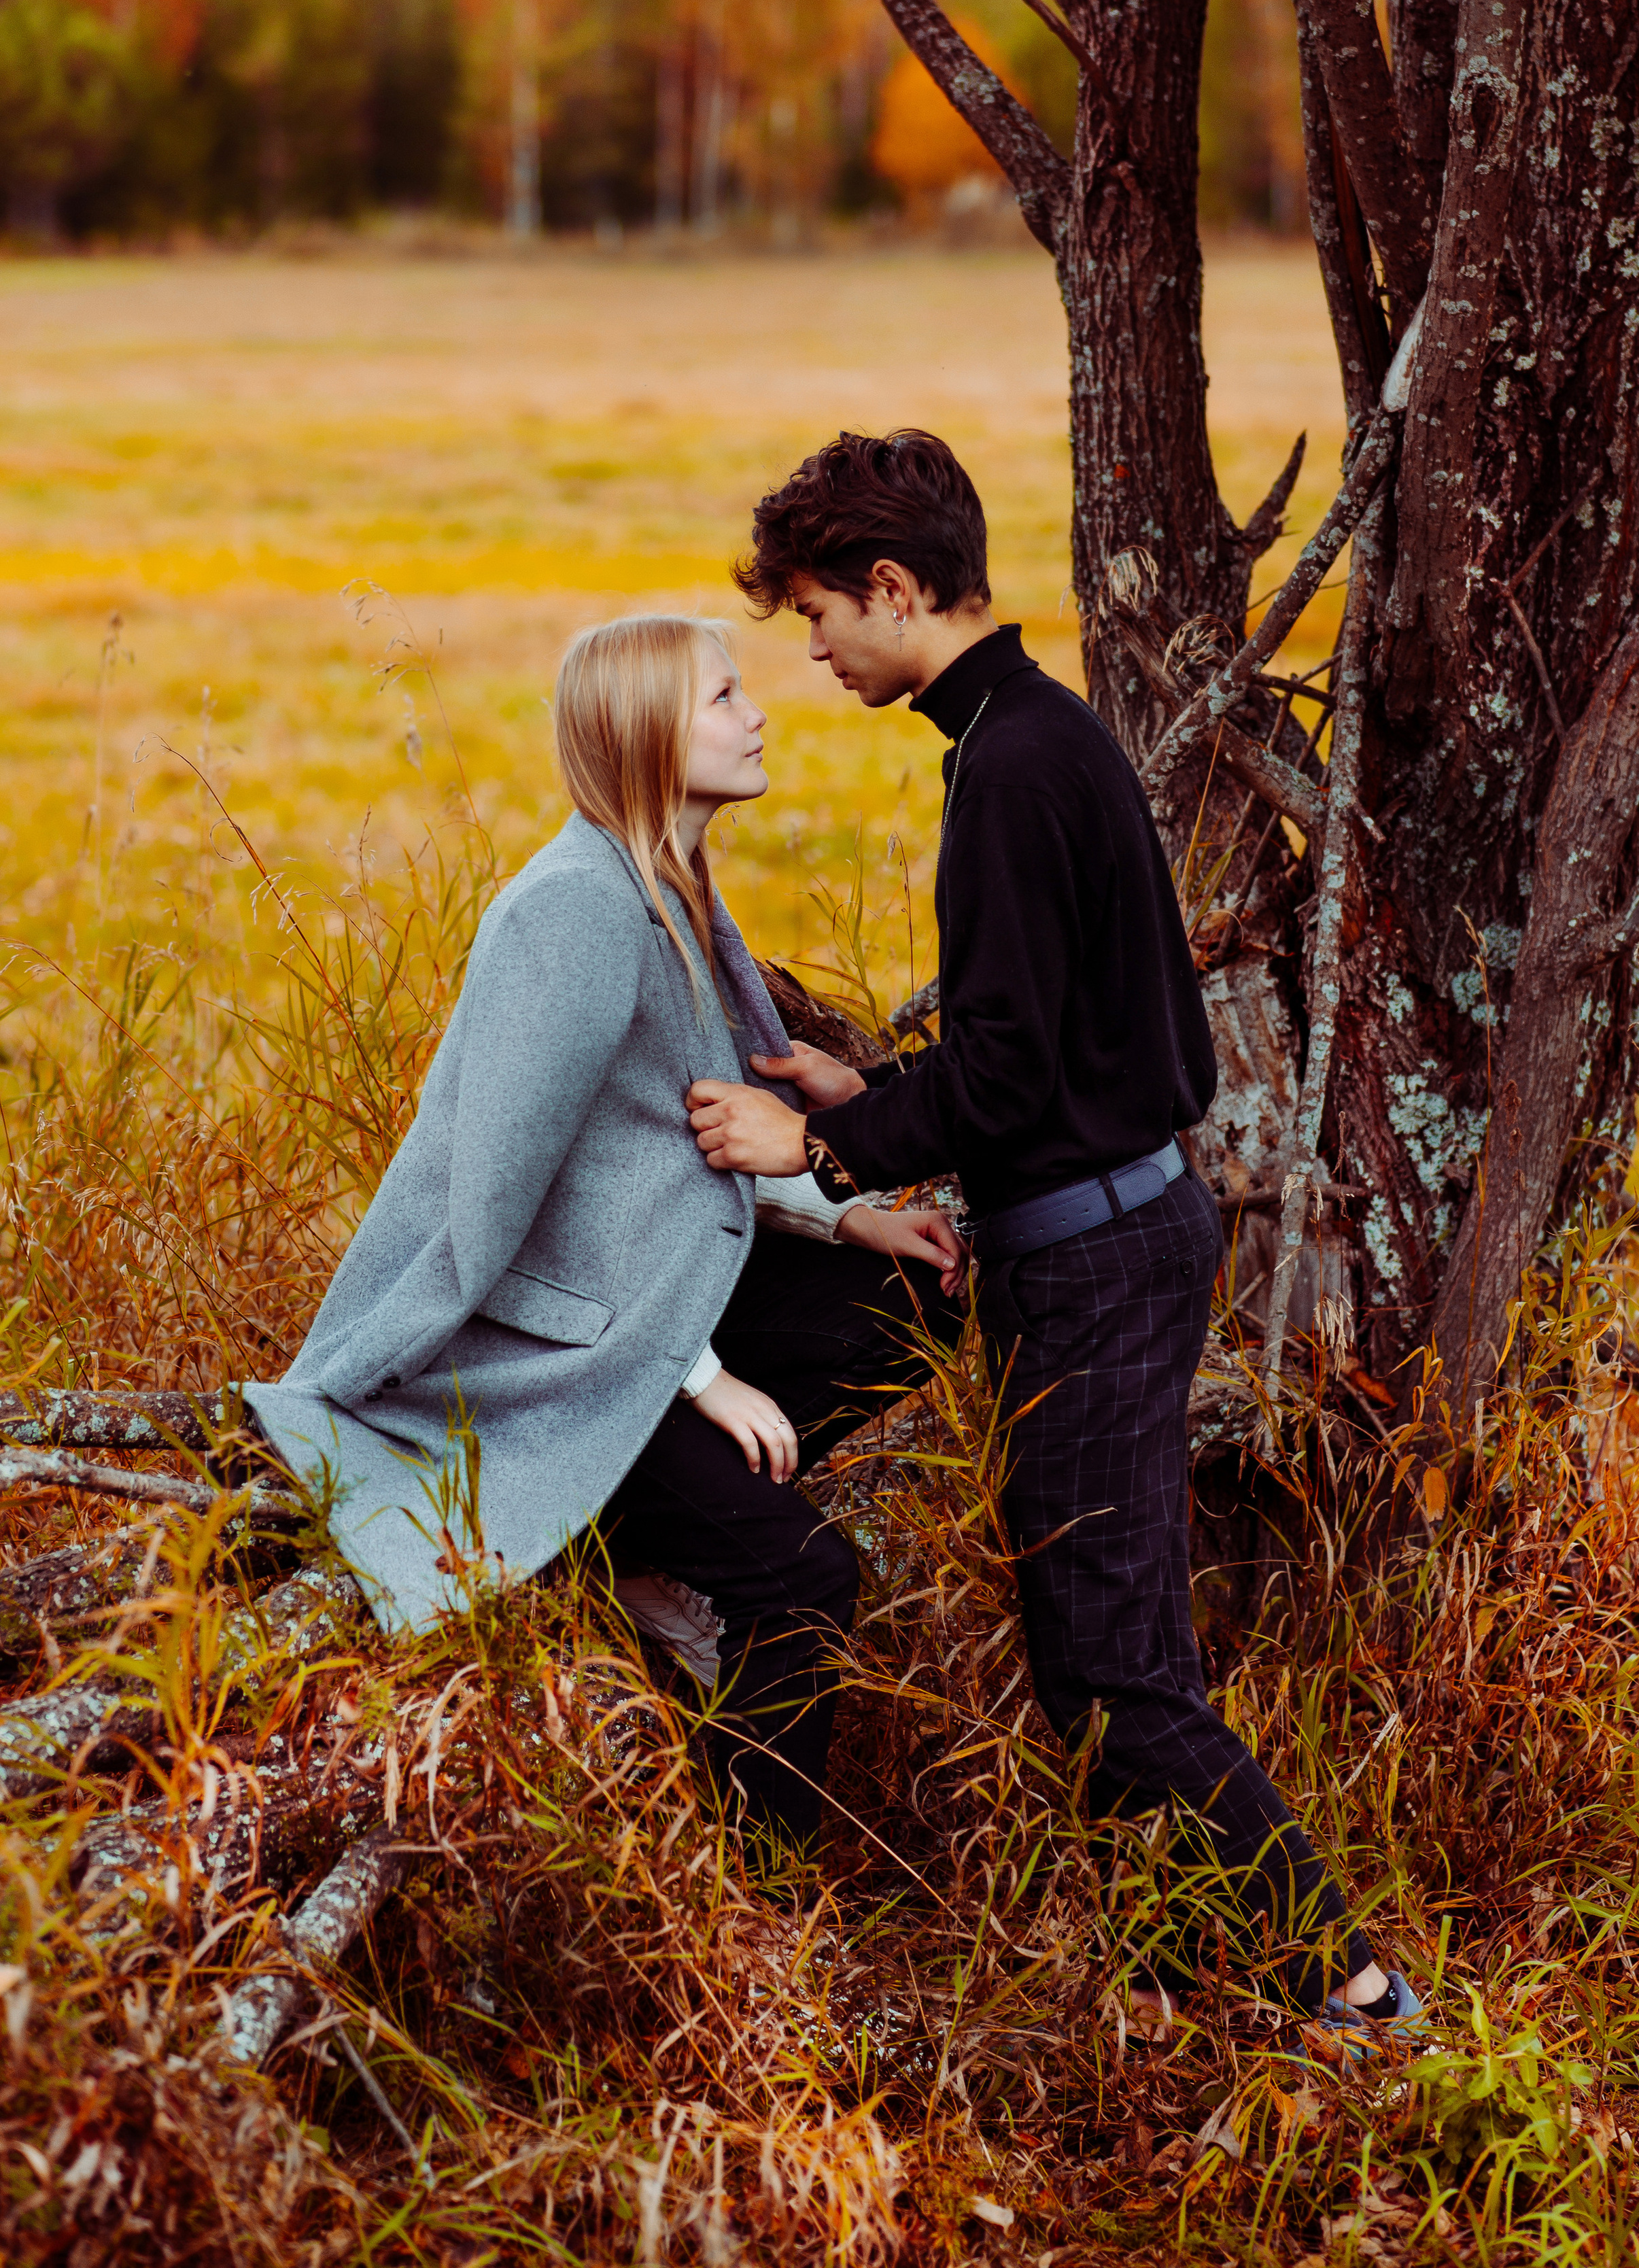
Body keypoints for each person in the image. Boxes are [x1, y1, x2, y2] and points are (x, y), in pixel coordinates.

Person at [685, 430, 1420, 2038]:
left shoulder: (1013, 766)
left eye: (816, 614)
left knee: (1115, 1671)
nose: (808, 652)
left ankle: (1354, 1994)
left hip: (1088, 1261)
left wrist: (819, 1138)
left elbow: (1016, 1073)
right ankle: (1171, 1987)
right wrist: (875, 1082)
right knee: (1101, 1660)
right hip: (1115, 1233)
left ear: (892, 587)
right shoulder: (1029, 734)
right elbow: (1105, 1046)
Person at [249, 612, 963, 1852]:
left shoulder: (670, 886)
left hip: (646, 1300)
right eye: (725, 697)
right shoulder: (574, 913)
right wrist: (696, 1378)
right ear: (647, 732)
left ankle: (628, 1544)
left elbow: (685, 1134)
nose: (759, 713)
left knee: (911, 1304)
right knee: (806, 1578)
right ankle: (760, 1885)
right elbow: (499, 1206)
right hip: (538, 1353)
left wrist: (848, 1218)